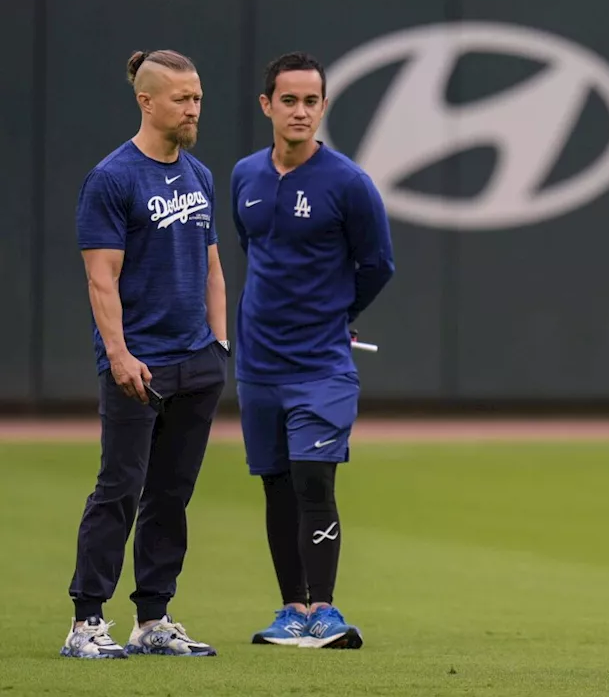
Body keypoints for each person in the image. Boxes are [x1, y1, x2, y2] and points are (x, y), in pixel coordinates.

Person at [65, 49, 227, 659]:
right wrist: (120, 354)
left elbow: (212, 264)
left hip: (196, 362)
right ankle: (86, 623)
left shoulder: (200, 175)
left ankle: (153, 620)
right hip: (139, 366)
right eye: (183, 98)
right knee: (120, 489)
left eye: (198, 98)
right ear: (147, 101)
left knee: (171, 496)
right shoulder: (112, 178)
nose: (193, 109)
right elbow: (100, 279)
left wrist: (219, 344)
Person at [230, 51, 395, 650]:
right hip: (258, 366)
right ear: (267, 105)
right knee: (275, 482)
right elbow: (255, 250)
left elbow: (378, 265)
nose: (300, 111)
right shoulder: (244, 176)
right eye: (289, 100)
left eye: (311, 101)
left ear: (323, 107)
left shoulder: (349, 184)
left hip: (321, 366)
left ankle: (324, 611)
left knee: (312, 480)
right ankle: (289, 611)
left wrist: (337, 316)